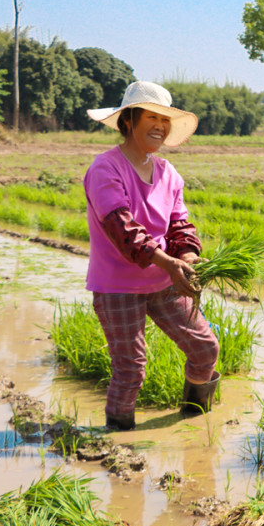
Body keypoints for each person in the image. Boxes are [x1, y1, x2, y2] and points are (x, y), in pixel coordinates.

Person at [85, 81, 219, 431]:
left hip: (164, 280)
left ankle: (193, 421)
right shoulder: (106, 169)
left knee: (205, 349)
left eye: (165, 118)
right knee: (131, 368)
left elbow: (179, 224)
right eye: (151, 116)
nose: (160, 125)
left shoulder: (169, 173)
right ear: (129, 120)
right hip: (117, 286)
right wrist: (170, 263)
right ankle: (118, 441)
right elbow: (122, 229)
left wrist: (187, 256)